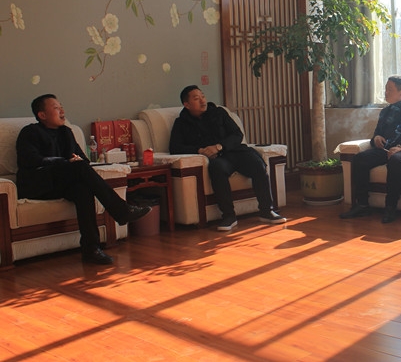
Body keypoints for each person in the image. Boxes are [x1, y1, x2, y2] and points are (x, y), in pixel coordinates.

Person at [16, 94, 152, 265]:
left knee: (83, 190)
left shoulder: (66, 132)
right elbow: (30, 160)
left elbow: (83, 160)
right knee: (78, 168)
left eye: (61, 106)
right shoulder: (30, 132)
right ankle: (121, 210)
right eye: (56, 108)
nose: (62, 111)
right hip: (37, 183)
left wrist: (75, 161)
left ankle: (91, 249)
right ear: (42, 115)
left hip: (60, 182)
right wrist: (65, 162)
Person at [169, 85, 286, 231]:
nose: (202, 101)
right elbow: (175, 147)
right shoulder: (181, 123)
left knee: (258, 164)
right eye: (196, 98)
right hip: (218, 159)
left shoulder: (219, 112)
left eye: (203, 96)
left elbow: (237, 134)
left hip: (235, 151)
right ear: (186, 104)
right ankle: (229, 216)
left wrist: (219, 146)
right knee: (217, 168)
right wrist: (199, 150)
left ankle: (267, 211)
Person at [340, 75, 401, 223]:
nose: (386, 92)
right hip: (386, 148)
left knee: (395, 160)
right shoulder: (385, 111)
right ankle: (362, 205)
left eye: (390, 89)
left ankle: (390, 207)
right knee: (360, 159)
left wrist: (400, 147)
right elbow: (377, 133)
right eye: (386, 89)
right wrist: (376, 138)